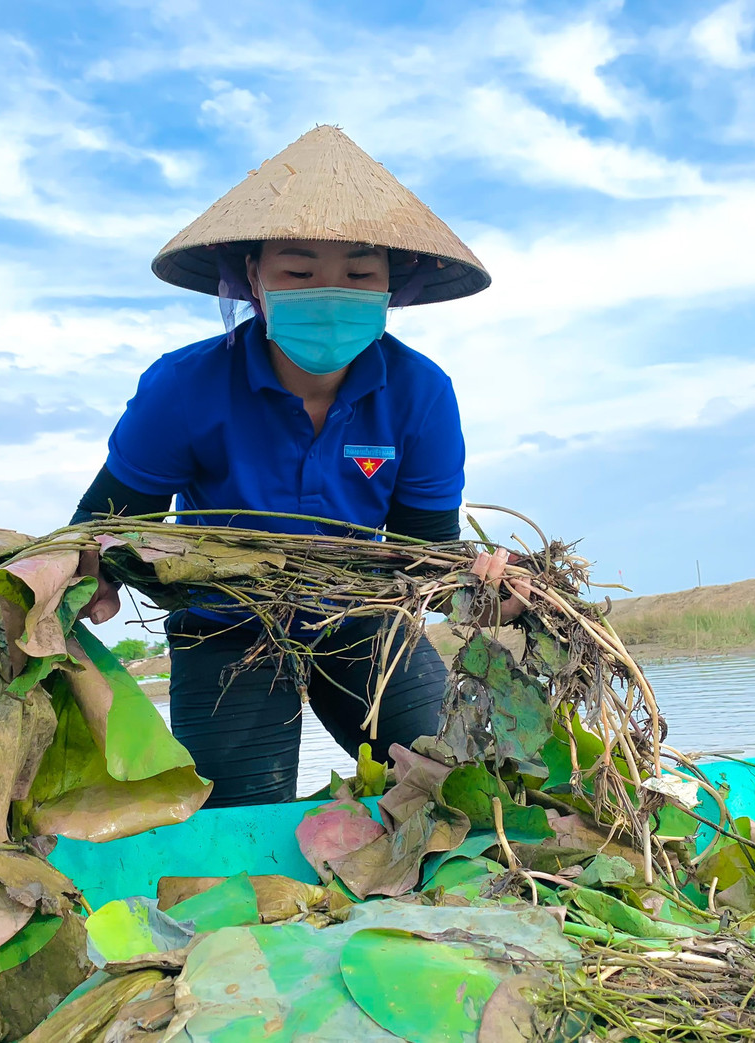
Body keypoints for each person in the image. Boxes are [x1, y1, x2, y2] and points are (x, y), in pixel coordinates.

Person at [71, 126, 525, 806]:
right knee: (236, 824)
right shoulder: (183, 388)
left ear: (389, 287)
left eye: (360, 273)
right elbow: (105, 524)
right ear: (254, 277)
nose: (331, 290)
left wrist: (482, 587)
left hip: (361, 621)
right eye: (300, 271)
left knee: (462, 789)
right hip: (225, 627)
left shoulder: (420, 394)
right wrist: (90, 575)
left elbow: (420, 556)